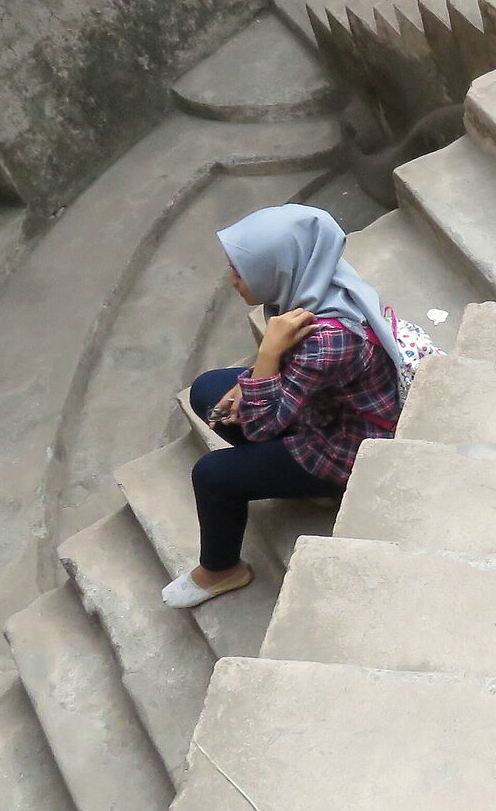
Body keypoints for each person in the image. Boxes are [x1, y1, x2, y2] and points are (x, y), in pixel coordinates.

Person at [162, 203, 406, 608]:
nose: (233, 280)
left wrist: (268, 355)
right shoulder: (315, 287)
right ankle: (293, 478)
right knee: (207, 392)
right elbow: (287, 385)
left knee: (213, 475)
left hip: (350, 444)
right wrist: (260, 372)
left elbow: (259, 427)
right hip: (326, 408)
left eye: (241, 270)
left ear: (278, 268)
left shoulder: (328, 339)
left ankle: (222, 570)